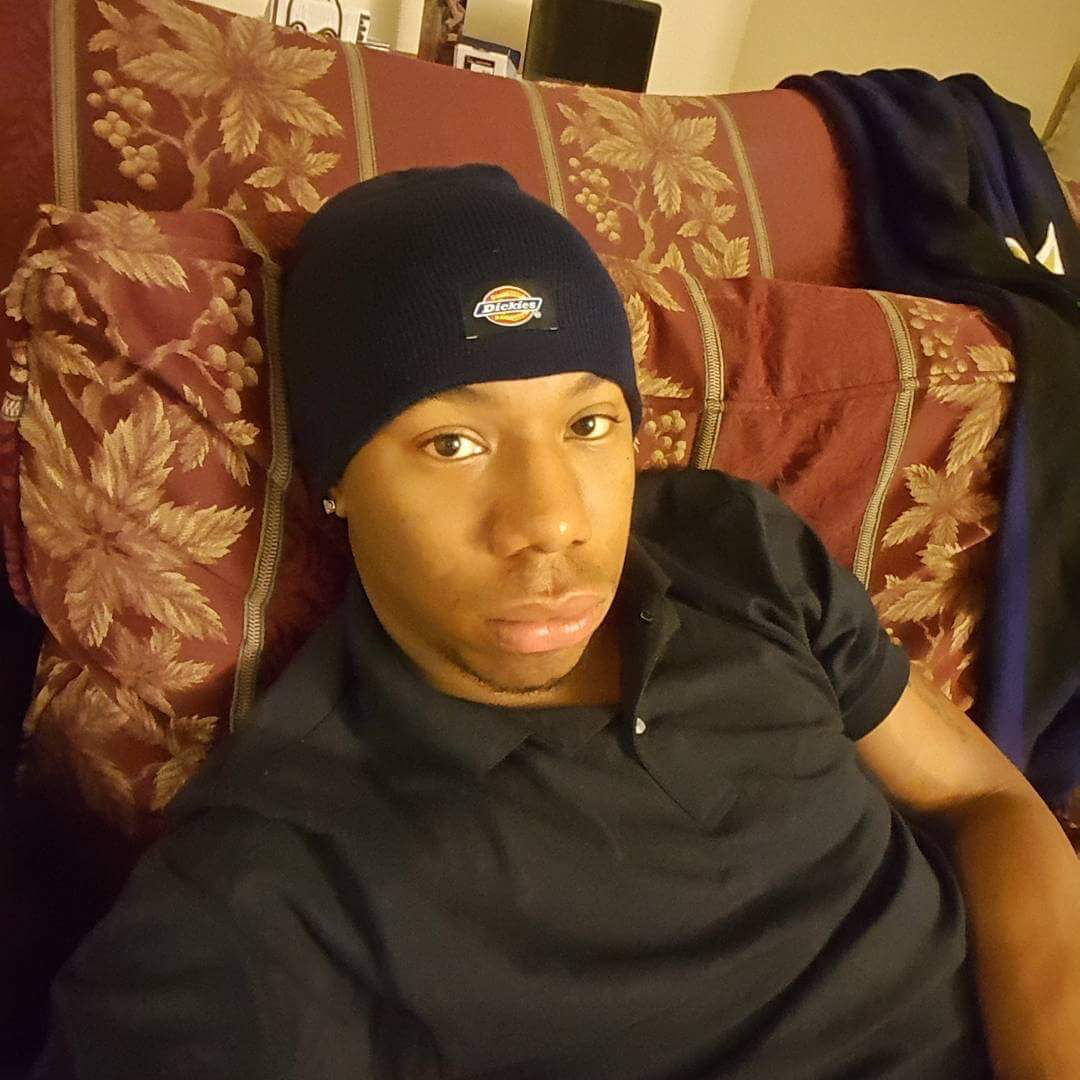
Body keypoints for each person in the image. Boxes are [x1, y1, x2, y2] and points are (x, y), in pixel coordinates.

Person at [31, 165, 1080, 1079]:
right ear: (336, 481)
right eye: (454, 444)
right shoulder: (272, 890)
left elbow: (985, 796)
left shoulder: (729, 544)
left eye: (587, 423)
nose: (553, 522)